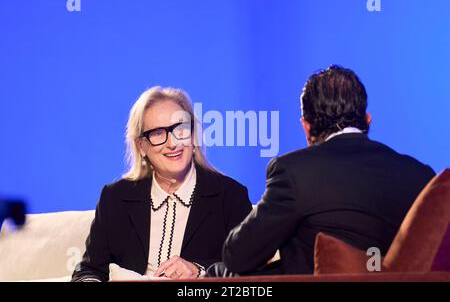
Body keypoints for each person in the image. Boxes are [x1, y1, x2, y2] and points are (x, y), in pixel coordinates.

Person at [209, 65, 436, 276]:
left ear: (306, 127)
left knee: (220, 272)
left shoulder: (294, 171)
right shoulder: (420, 175)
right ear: (367, 120)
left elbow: (237, 256)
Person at [72, 87, 252, 281]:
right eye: (158, 133)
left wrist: (199, 270)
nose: (172, 143)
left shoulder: (230, 196)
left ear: (192, 135)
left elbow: (250, 267)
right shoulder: (115, 198)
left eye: (180, 128)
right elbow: (89, 270)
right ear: (142, 146)